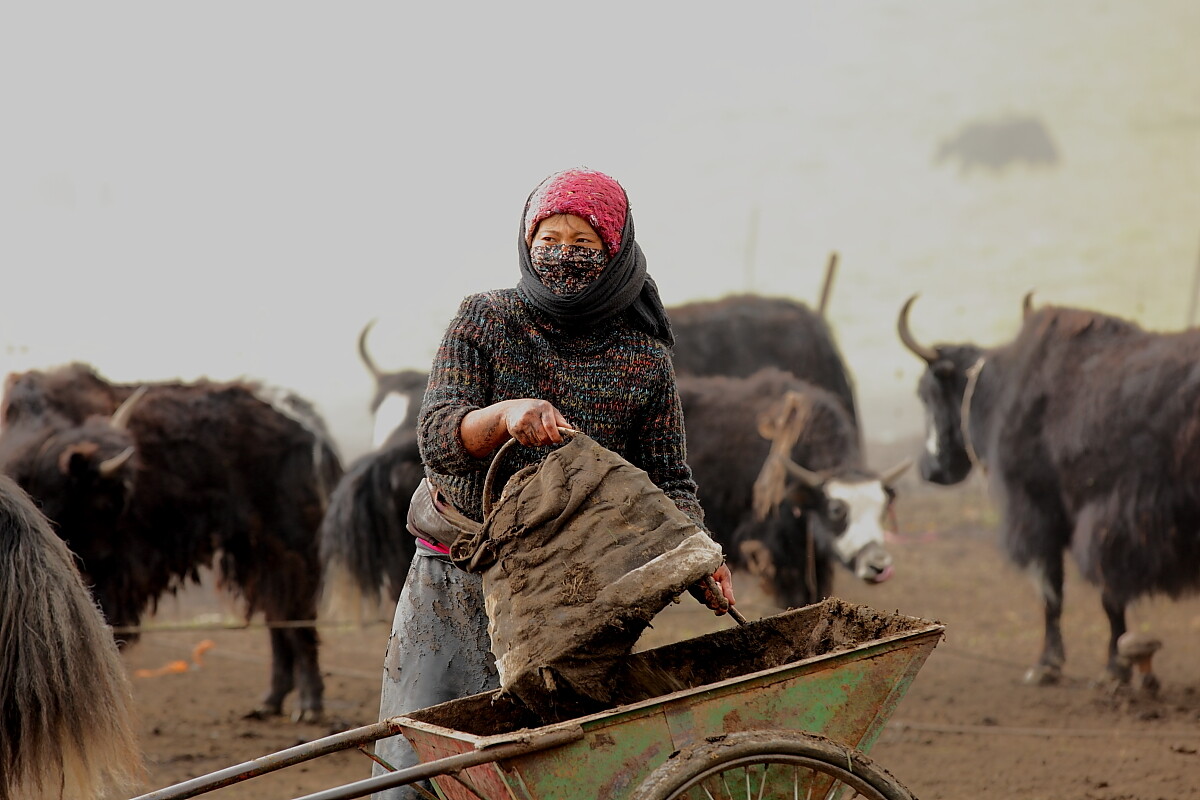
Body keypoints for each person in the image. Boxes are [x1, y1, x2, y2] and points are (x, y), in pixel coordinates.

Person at [371, 167, 736, 797]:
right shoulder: (485, 319)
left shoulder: (642, 359)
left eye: (584, 244)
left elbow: (668, 478)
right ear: (524, 240)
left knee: (549, 771)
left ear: (616, 254)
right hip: (459, 579)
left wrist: (700, 553)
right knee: (418, 770)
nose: (563, 254)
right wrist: (508, 414)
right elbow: (436, 435)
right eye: (550, 237)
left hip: (573, 596)